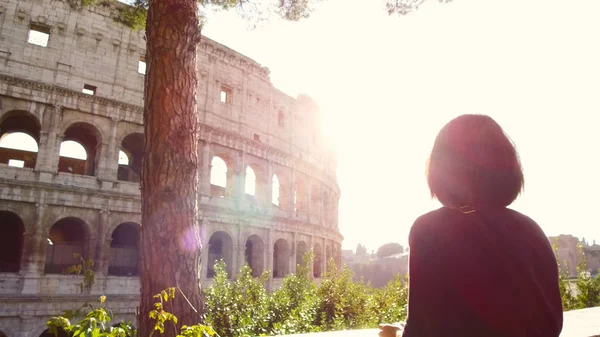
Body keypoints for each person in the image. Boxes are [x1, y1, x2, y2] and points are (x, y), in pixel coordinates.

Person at [380, 114, 563, 337]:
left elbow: (421, 331)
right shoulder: (531, 228)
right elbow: (550, 324)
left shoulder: (430, 229)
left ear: (441, 168)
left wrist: (395, 335)